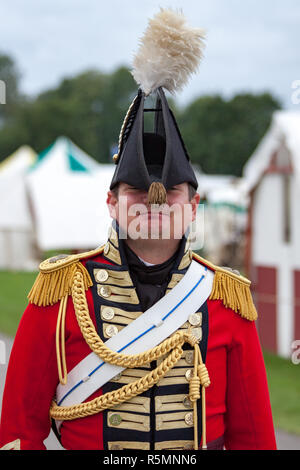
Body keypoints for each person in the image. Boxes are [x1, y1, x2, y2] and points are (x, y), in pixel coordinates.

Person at [0, 8, 277, 451]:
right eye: (134, 190)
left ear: (193, 206)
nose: (154, 201)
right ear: (111, 202)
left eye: (171, 191)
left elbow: (255, 439)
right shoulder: (59, 293)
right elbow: (18, 433)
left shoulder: (227, 299)